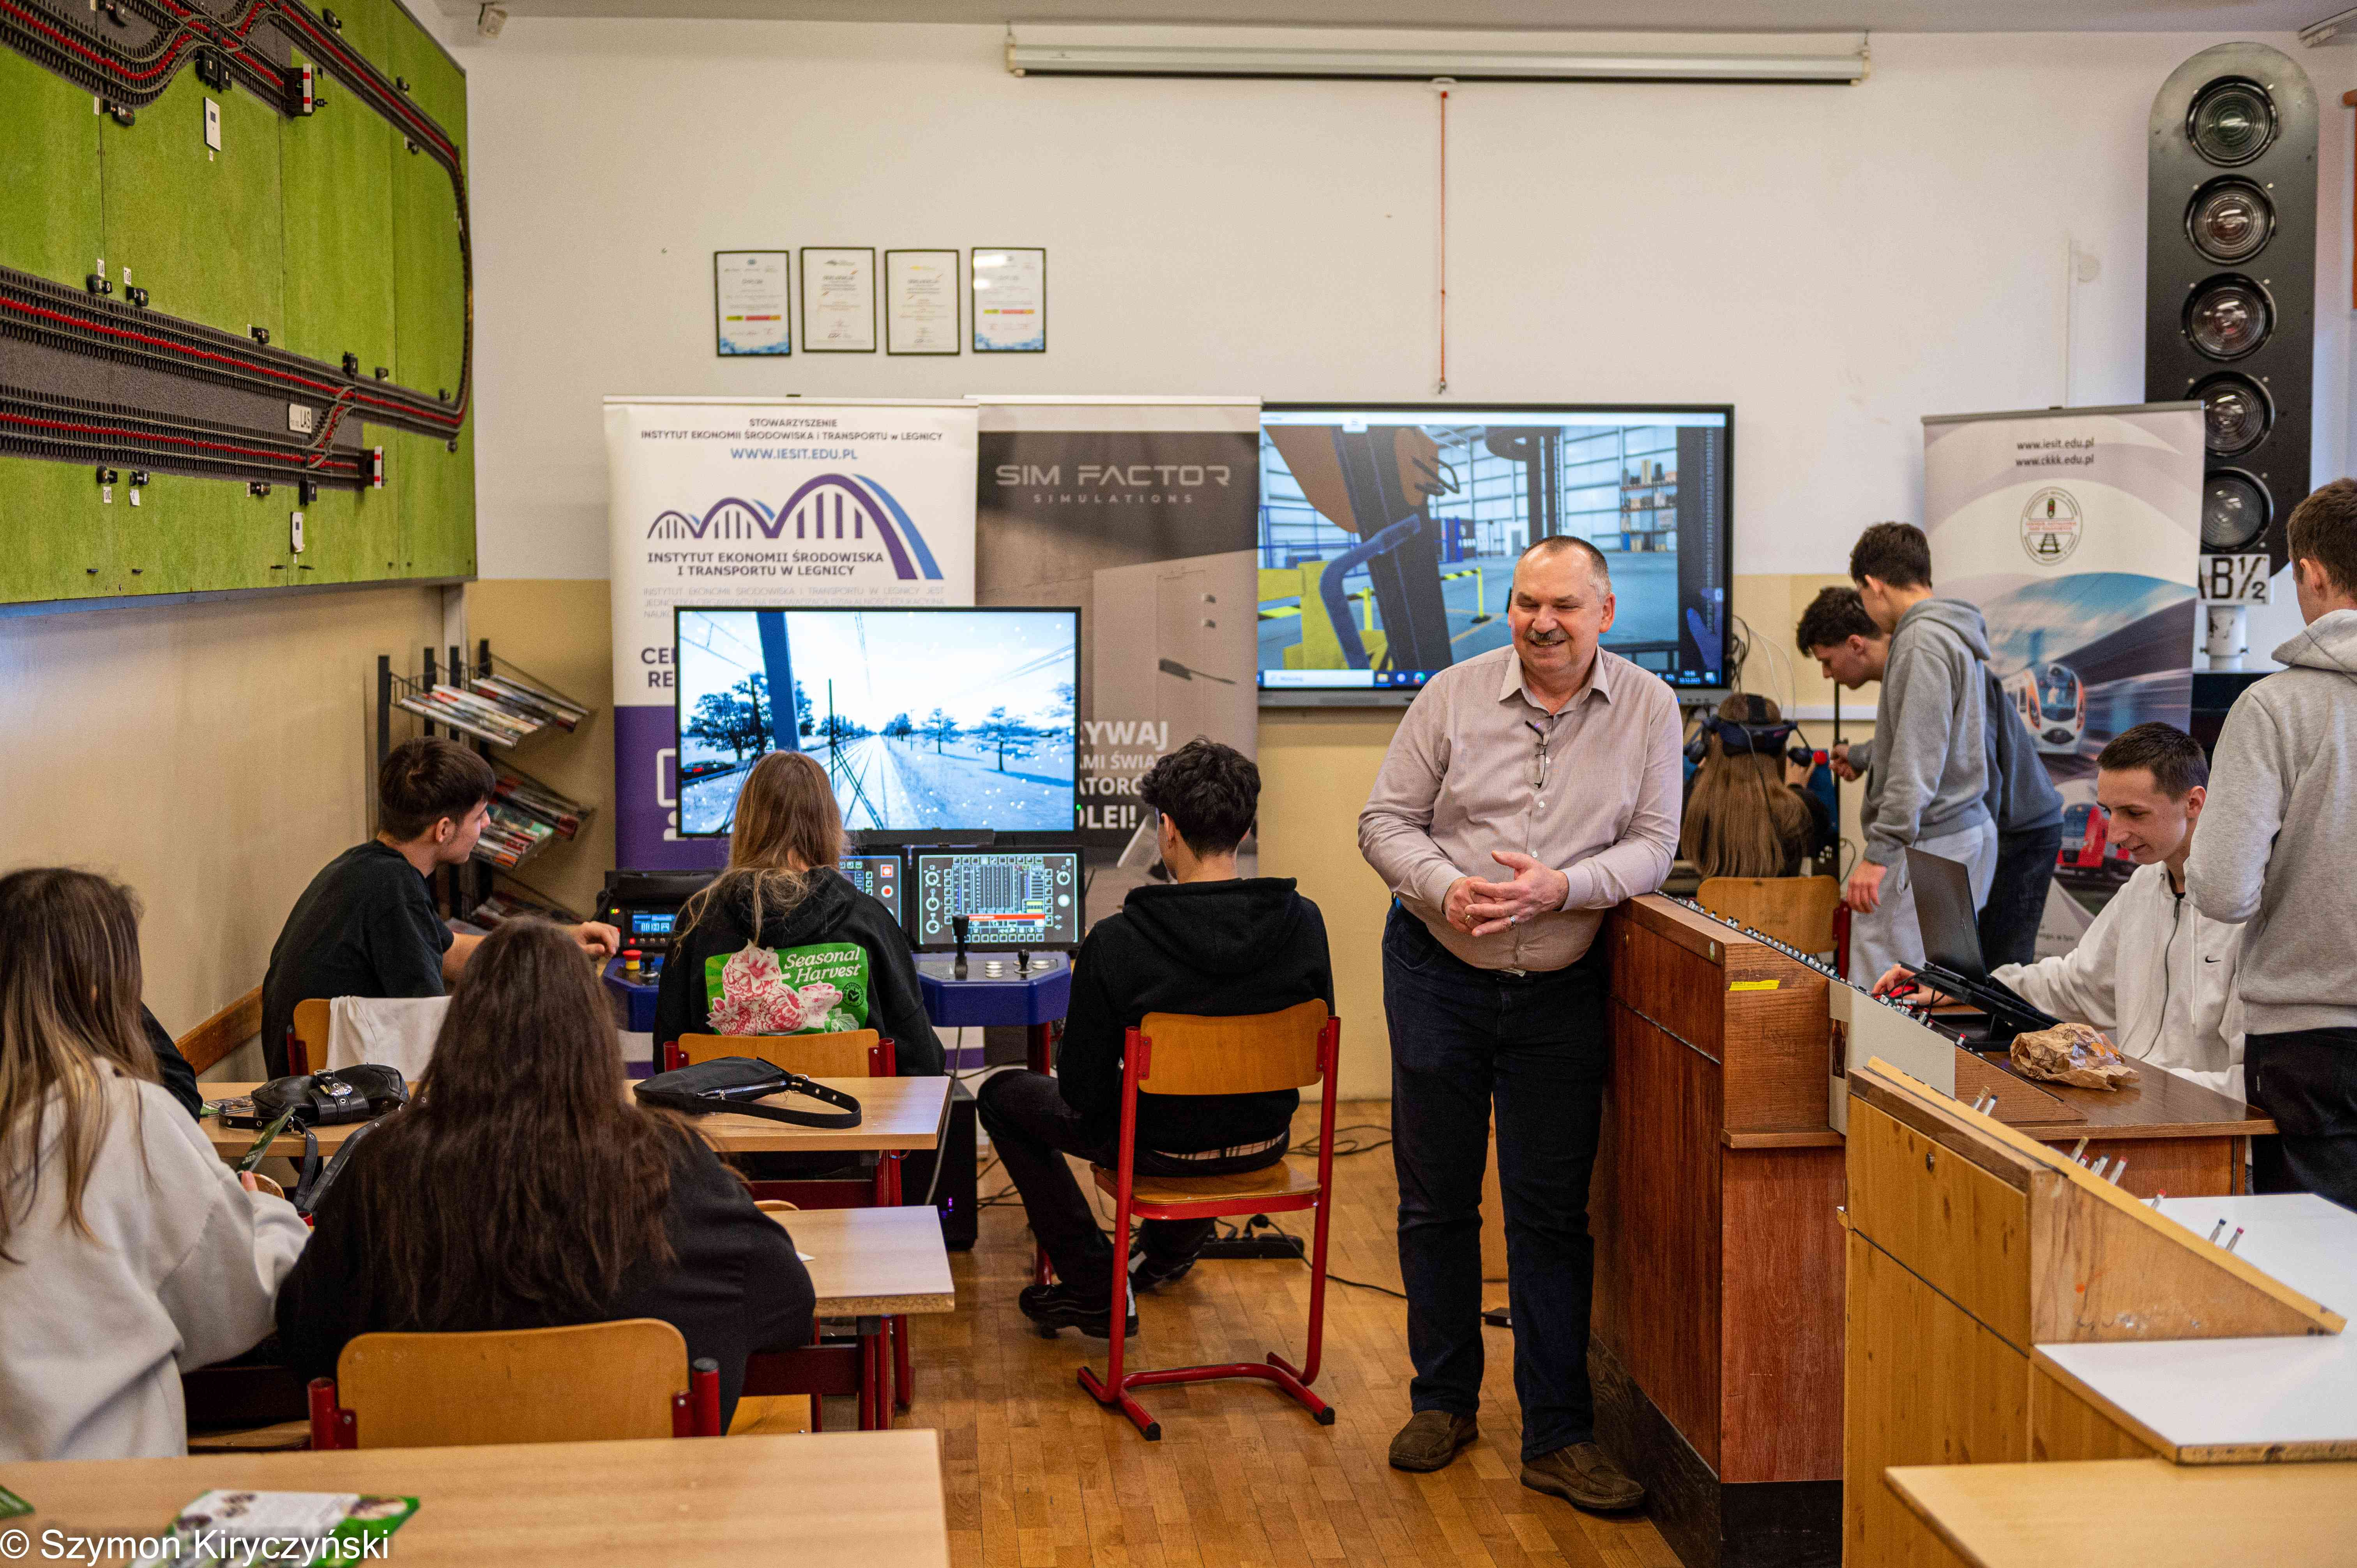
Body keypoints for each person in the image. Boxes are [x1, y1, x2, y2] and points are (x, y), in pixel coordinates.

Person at [1358, 535, 1680, 1513]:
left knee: (1550, 1214)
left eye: (1564, 606)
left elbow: (1655, 844)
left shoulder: (1651, 708)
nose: (1543, 622)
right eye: (1526, 602)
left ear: (1605, 612)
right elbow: (1384, 821)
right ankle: (1443, 1402)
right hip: (1438, 972)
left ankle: (1559, 1434)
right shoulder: (1450, 695)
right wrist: (1444, 886)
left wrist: (1563, 888)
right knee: (1436, 1200)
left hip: (1561, 988)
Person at [275, 918, 813, 1431]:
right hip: (646, 1487)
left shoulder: (382, 1169)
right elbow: (789, 1308)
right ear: (596, 1039)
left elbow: (307, 1344)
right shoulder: (673, 1164)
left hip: (430, 1487)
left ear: (459, 1033)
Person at [976, 739, 1333, 1338]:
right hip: (1264, 1140)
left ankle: (1096, 1285)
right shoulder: (1304, 920)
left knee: (1001, 1096)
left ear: (1166, 829)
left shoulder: (1118, 940)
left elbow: (1083, 1091)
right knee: (1193, 1112)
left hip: (1159, 1149)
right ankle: (1161, 1259)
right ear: (1246, 829)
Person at [0, 868, 308, 1462]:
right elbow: (237, 1302)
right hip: (109, 1473)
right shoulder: (120, 1114)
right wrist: (267, 1213)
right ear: (100, 991)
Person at [1874, 723, 2244, 1095]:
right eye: (2109, 812)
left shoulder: (2244, 915)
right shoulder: (2143, 888)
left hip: (2198, 1119)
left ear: (2194, 803)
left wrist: (2135, 1082)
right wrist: (1972, 990)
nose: (2115, 834)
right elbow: (2077, 985)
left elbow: (2253, 1084)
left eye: (2134, 813)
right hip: (2132, 1103)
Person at [2187, 477, 2357, 1208]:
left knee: (2315, 1256)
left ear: (2311, 574)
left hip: (2308, 1036)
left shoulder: (2273, 708)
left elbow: (2224, 890)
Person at [261, 738, 618, 1077]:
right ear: (444, 830)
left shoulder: (364, 867)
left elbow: (450, 952)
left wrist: (557, 943)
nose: (487, 824)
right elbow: (430, 1029)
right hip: (328, 1095)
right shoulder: (394, 889)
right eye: (479, 816)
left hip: (315, 1079)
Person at [1798, 584, 2061, 968]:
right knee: (1952, 967)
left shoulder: (1926, 657)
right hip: (1984, 827)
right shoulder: (1917, 662)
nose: (1826, 674)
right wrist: (1862, 756)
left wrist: (1957, 849)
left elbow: (1971, 771)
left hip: (2020, 828)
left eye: (1827, 661)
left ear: (1856, 644)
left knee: (1995, 969)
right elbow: (1918, 741)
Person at [654, 750, 942, 1074]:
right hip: (854, 1109)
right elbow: (924, 1063)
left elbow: (668, 1063)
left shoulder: (697, 922)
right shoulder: (870, 920)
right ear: (829, 826)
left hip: (732, 1110)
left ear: (746, 826)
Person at [1824, 525, 1995, 984]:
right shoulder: (1953, 632)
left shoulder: (1920, 641)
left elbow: (1916, 761)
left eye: (1863, 594)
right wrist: (1864, 756)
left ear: (1873, 585)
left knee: (1886, 980)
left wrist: (1879, 854)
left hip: (1928, 842)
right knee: (1934, 986)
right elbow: (1934, 739)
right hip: (1963, 832)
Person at [1680, 693, 1831, 879]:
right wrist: (1796, 789)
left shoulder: (1692, 805)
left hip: (1714, 900)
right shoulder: (1805, 807)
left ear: (1715, 744)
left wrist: (1704, 771)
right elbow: (1821, 842)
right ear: (1780, 747)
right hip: (1781, 900)